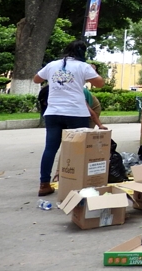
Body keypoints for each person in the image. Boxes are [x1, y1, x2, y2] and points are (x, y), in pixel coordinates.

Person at [34, 40, 106, 196]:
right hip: (76, 113)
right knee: (78, 149)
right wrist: (91, 72)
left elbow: (36, 79)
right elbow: (100, 83)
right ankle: (76, 182)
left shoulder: (52, 65)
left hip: (53, 113)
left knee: (50, 148)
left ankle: (44, 184)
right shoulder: (83, 66)